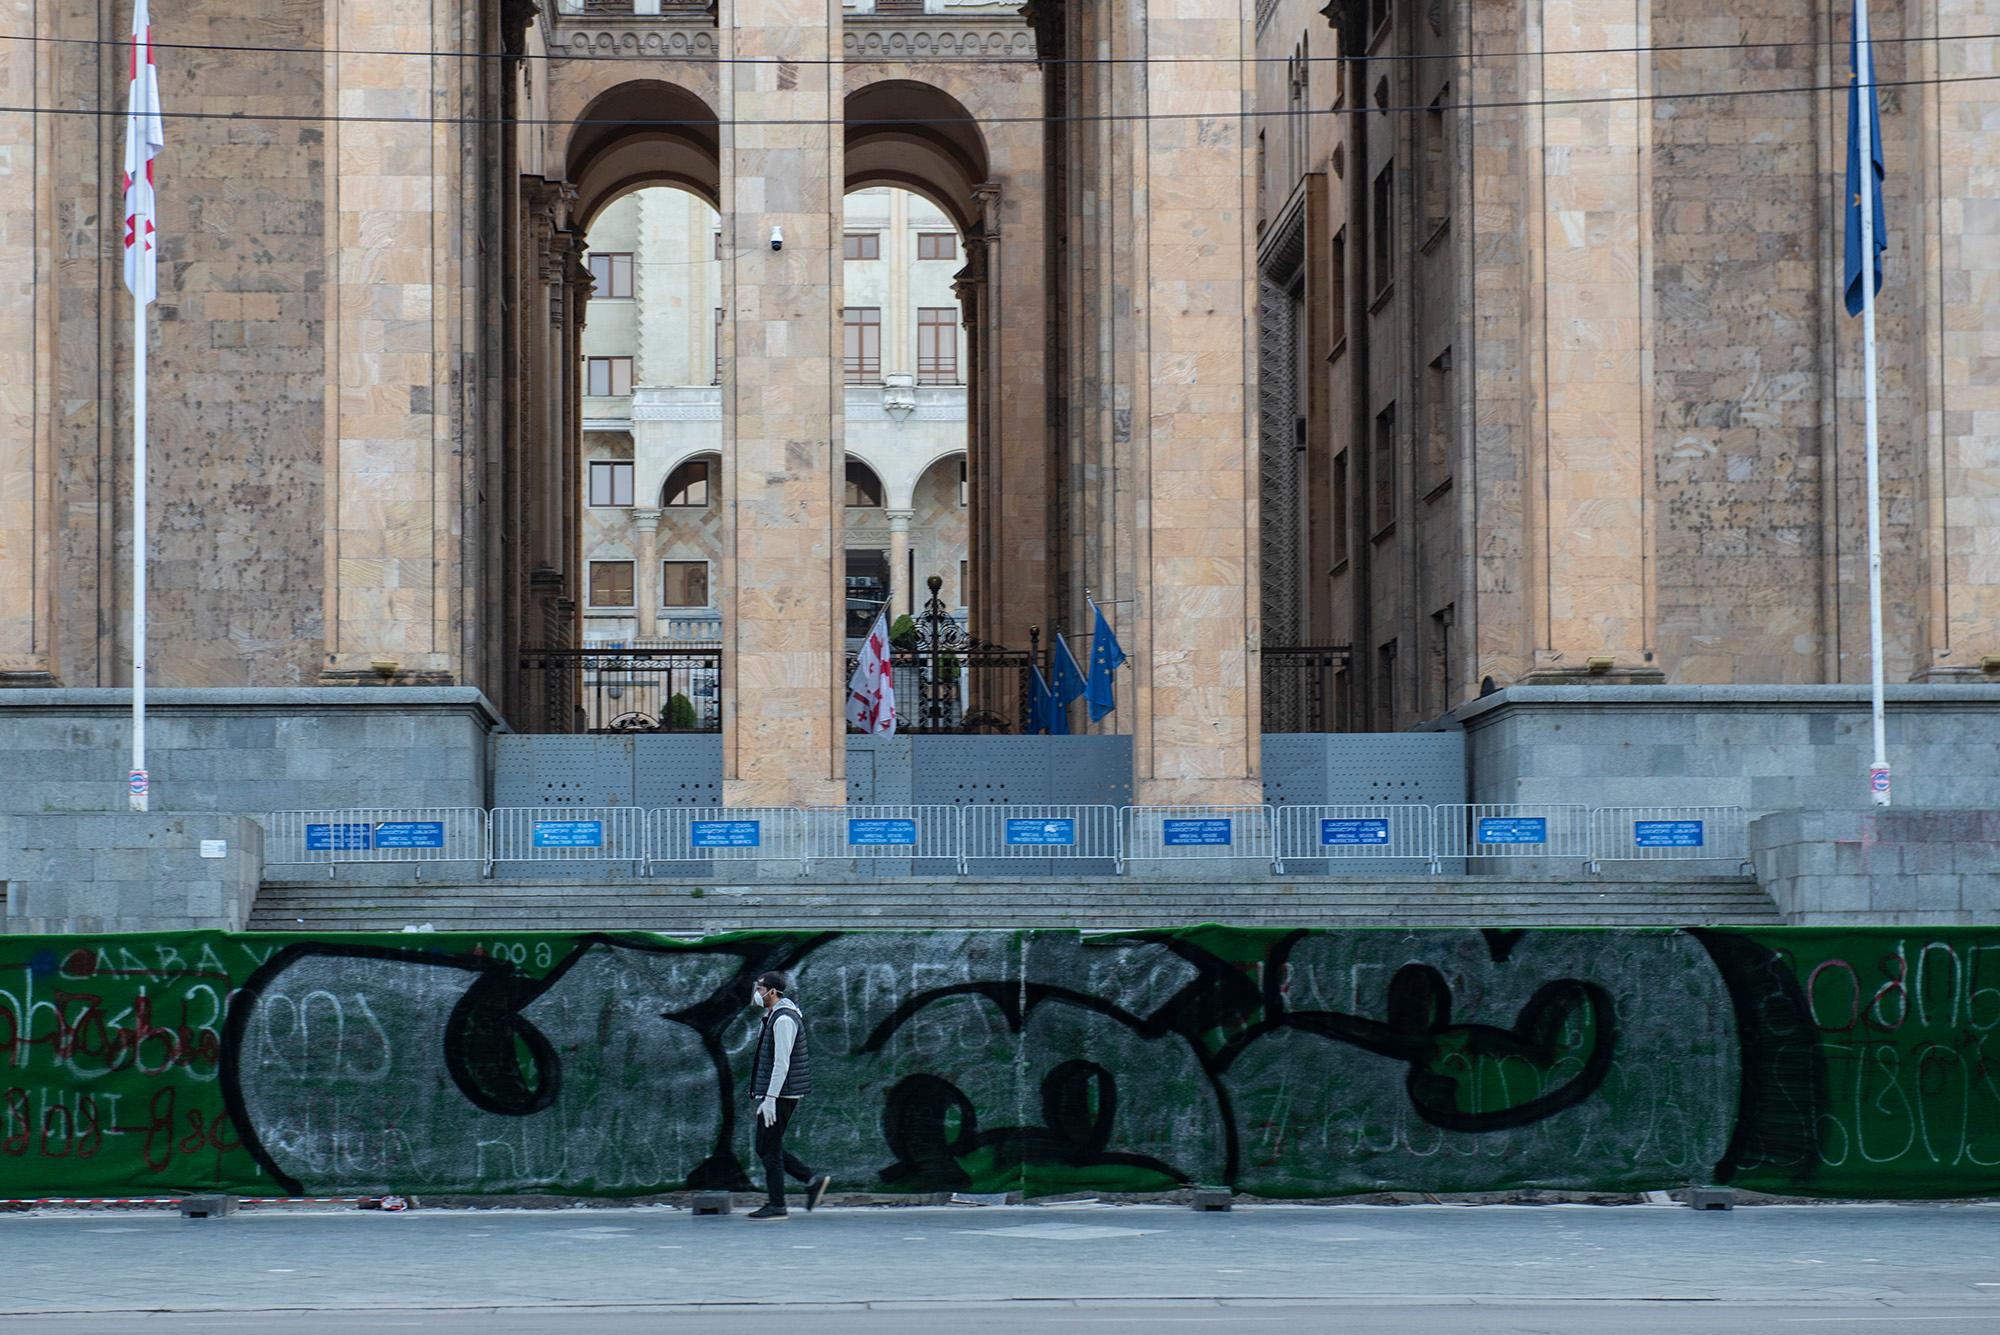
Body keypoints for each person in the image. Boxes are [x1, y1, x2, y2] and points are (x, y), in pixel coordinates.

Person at [745, 970, 831, 1221]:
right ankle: (811, 1180)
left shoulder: (784, 1020)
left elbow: (781, 1063)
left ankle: (778, 1204)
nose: (757, 993)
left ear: (772, 992)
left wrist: (770, 1099)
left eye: (760, 989)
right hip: (778, 1093)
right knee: (767, 1146)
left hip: (781, 1095)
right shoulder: (775, 1015)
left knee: (768, 1148)